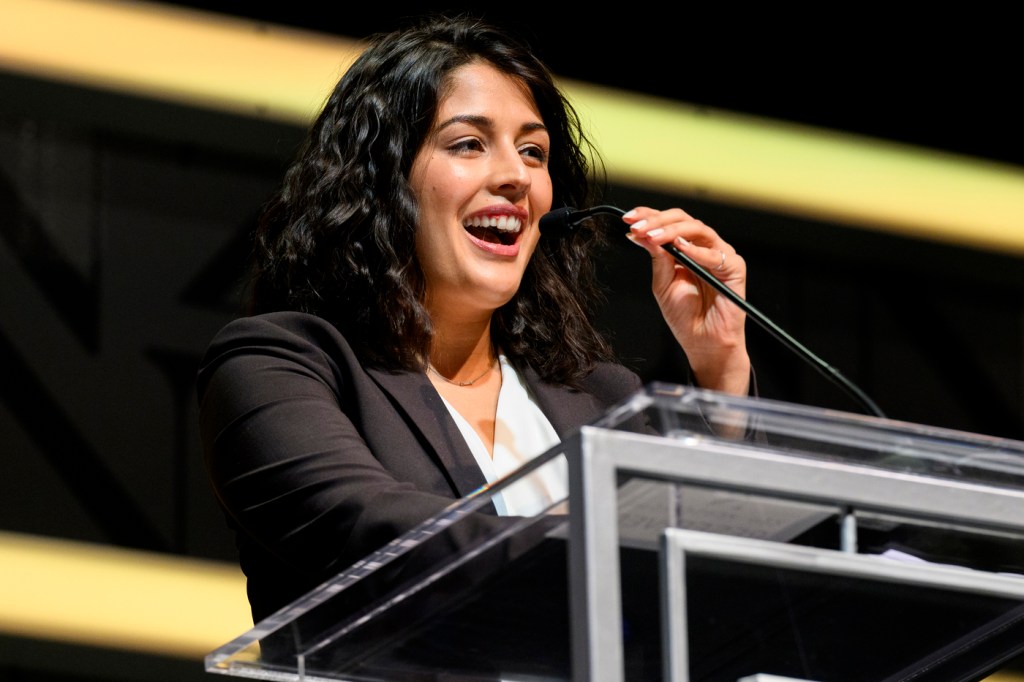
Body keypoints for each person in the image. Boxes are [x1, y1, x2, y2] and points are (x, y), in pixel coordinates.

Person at [195, 13, 751, 627]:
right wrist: (600, 534)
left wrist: (721, 369)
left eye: (533, 151)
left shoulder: (600, 397)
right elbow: (368, 533)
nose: (516, 176)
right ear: (382, 178)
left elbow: (721, 580)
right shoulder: (277, 368)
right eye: (468, 144)